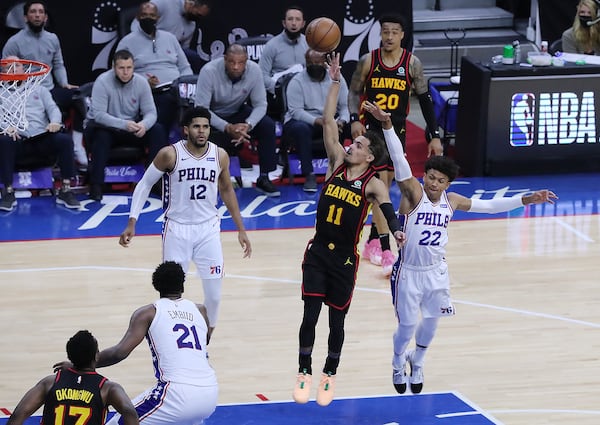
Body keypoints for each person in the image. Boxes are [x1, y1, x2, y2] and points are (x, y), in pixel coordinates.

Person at [364, 99, 558, 395]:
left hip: (436, 271)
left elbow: (491, 206)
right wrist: (388, 125)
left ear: (447, 184)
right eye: (430, 177)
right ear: (425, 175)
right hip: (409, 271)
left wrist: (527, 199)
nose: (433, 183)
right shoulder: (413, 193)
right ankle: (396, 361)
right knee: (405, 327)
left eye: (440, 181)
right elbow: (400, 163)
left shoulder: (452, 201)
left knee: (431, 322)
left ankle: (418, 361)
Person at [292, 52, 406, 407]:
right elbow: (328, 120)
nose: (351, 145)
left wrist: (397, 231)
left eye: (358, 145)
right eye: (352, 143)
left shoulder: (373, 183)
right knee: (309, 315)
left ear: (370, 156)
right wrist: (336, 83)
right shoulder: (336, 164)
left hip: (344, 260)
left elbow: (387, 209)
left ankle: (329, 373)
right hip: (317, 253)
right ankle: (303, 370)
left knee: (336, 323)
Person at [119, 106, 251, 339]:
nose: (202, 131)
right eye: (196, 126)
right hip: (176, 230)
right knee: (172, 295)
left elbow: (227, 189)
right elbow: (144, 184)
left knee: (214, 296)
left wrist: (241, 229)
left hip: (208, 228)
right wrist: (132, 221)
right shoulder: (170, 154)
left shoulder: (219, 155)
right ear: (186, 130)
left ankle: (205, 341)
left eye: (206, 127)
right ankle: (170, 339)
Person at [55, 262, 218, 424]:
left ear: (156, 285)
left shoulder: (148, 313)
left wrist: (78, 365)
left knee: (122, 421)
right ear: (182, 284)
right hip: (210, 392)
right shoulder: (200, 310)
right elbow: (204, 343)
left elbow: (119, 353)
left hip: (176, 394)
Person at [348, 13, 444, 277]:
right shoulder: (369, 61)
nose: (389, 36)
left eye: (394, 32)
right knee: (380, 188)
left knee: (395, 190)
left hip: (397, 132)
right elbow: (354, 90)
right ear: (381, 34)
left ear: (403, 35)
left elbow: (425, 100)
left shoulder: (412, 63)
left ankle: (370, 242)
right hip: (373, 135)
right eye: (385, 31)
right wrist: (354, 119)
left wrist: (433, 134)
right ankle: (387, 247)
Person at [2, 1, 87, 168]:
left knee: (78, 96)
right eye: (33, 12)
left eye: (41, 12)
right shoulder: (14, 42)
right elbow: (6, 69)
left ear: (45, 17)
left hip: (47, 88)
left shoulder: (52, 39)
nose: (37, 15)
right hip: (22, 91)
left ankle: (77, 145)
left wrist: (64, 83)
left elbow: (58, 63)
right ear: (25, 17)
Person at [194, 43, 280, 196]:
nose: (235, 67)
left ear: (246, 62)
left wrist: (248, 125)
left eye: (240, 63)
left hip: (238, 113)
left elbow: (261, 104)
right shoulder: (209, 71)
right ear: (225, 59)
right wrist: (227, 127)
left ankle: (264, 177)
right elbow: (201, 109)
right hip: (213, 115)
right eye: (232, 62)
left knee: (267, 125)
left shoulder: (254, 71)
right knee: (200, 124)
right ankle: (206, 181)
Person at [6, 330, 139, 425]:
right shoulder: (107, 388)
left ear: (69, 356)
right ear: (97, 356)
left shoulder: (50, 382)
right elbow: (129, 412)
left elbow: (18, 416)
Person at [0, 56, 80, 212]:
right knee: (4, 140)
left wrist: (55, 122)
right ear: (3, 72)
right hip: (16, 140)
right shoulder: (1, 93)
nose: (15, 69)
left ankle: (65, 190)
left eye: (18, 65)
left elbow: (53, 109)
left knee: (64, 140)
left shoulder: (40, 89)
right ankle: (8, 193)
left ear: (24, 69)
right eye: (10, 67)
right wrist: (4, 127)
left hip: (40, 138)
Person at [85, 49, 167, 201]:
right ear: (113, 67)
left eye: (129, 68)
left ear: (133, 68)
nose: (125, 72)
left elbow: (151, 113)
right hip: (108, 128)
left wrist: (143, 125)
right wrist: (124, 124)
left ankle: (154, 181)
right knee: (100, 135)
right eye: (121, 68)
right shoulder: (102, 82)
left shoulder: (141, 83)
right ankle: (96, 185)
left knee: (158, 130)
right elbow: (99, 115)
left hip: (132, 128)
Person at [117, 2, 193, 135]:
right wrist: (143, 83)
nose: (148, 18)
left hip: (177, 89)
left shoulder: (170, 38)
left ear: (158, 18)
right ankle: (163, 143)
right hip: (150, 91)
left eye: (152, 15)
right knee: (167, 102)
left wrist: (184, 83)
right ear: (138, 17)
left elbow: (185, 67)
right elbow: (119, 72)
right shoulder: (127, 42)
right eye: (144, 15)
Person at [283, 48, 350, 192]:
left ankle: (343, 170)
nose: (314, 65)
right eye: (310, 62)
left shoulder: (337, 78)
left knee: (351, 125)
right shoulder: (297, 81)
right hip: (306, 121)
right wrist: (320, 121)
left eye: (317, 62)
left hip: (330, 118)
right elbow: (295, 111)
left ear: (324, 62)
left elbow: (345, 106)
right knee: (300, 129)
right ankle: (309, 174)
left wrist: (341, 121)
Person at [131, 0, 211, 73]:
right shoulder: (166, 2)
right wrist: (141, 42)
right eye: (198, 15)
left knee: (193, 57)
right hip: (150, 44)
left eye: (201, 17)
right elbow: (136, 24)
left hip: (170, 52)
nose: (198, 19)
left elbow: (184, 49)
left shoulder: (192, 25)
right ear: (191, 4)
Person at [258, 5, 308, 116]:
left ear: (303, 24)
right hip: (279, 97)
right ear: (284, 23)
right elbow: (261, 75)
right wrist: (278, 89)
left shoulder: (309, 44)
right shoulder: (272, 45)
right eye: (290, 19)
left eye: (297, 19)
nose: (294, 23)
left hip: (304, 95)